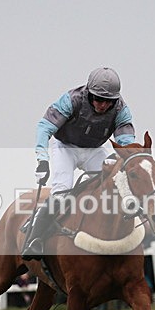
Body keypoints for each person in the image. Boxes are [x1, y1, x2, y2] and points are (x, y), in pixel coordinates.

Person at [21, 67, 136, 260]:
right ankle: (35, 238)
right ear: (90, 94)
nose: (103, 105)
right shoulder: (71, 100)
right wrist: (42, 159)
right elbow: (44, 127)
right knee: (62, 191)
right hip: (66, 147)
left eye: (109, 101)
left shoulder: (121, 110)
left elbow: (126, 142)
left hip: (94, 150)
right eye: (99, 99)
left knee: (119, 182)